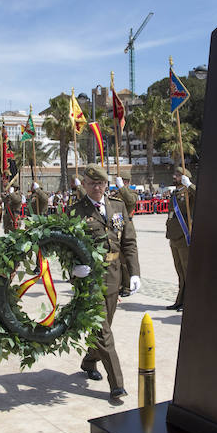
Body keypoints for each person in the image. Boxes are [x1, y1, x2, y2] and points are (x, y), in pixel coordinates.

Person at [70, 164, 141, 401]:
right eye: (92, 184)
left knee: (104, 326)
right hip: (90, 278)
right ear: (85, 185)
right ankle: (117, 384)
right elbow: (65, 248)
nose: (97, 188)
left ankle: (89, 361)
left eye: (100, 183)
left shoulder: (118, 206)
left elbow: (128, 243)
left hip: (113, 276)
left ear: (105, 184)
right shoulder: (76, 211)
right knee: (103, 330)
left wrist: (134, 273)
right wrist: (73, 269)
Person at [166, 167, 195, 311]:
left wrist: (189, 185)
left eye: (178, 175)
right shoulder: (176, 193)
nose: (174, 176)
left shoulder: (189, 192)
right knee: (180, 271)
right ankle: (181, 299)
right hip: (174, 237)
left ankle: (190, 301)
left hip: (184, 237)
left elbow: (201, 196)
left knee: (187, 270)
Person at [114, 175, 139, 297]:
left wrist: (122, 187)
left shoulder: (131, 192)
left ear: (127, 182)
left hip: (127, 227)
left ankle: (127, 286)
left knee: (125, 260)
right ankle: (120, 284)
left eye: (123, 181)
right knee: (118, 259)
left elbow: (130, 201)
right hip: (116, 228)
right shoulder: (116, 193)